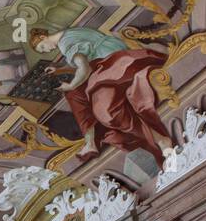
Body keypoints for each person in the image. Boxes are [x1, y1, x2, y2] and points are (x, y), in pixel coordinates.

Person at [31, 27, 173, 165]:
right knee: (78, 95)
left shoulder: (64, 43)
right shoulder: (70, 32)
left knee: (104, 111)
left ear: (43, 37)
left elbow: (84, 68)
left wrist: (71, 85)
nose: (47, 51)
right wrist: (60, 69)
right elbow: (88, 57)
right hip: (117, 56)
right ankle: (91, 139)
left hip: (112, 65)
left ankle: (159, 139)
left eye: (43, 47)